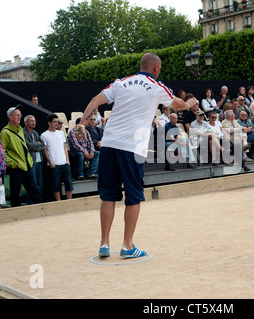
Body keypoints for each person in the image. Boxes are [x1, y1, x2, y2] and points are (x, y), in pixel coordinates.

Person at [78, 52, 198, 258]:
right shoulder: (157, 86)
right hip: (132, 148)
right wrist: (190, 103)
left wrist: (81, 123)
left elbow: (95, 101)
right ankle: (127, 246)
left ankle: (104, 244)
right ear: (156, 68)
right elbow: (178, 104)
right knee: (133, 197)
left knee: (108, 195)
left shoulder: (120, 83)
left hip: (108, 144)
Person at [0, 105, 42, 207]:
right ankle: (16, 215)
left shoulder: (20, 130)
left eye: (20, 115)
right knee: (15, 194)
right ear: (10, 117)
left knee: (34, 191)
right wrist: (14, 163)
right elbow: (2, 153)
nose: (19, 117)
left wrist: (29, 160)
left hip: (26, 166)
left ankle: (41, 210)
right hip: (16, 168)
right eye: (17, 115)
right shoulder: (5, 132)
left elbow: (24, 148)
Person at [41, 114, 73, 201]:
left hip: (64, 163)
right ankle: (58, 202)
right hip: (54, 164)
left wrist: (67, 160)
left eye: (57, 122)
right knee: (56, 184)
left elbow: (64, 147)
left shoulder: (61, 133)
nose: (56, 123)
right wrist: (50, 162)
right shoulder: (44, 135)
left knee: (69, 183)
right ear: (49, 123)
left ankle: (69, 201)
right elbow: (45, 150)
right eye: (54, 122)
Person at [23, 115, 44, 202]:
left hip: (39, 161)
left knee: (40, 184)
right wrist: (37, 144)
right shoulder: (23, 132)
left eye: (34, 121)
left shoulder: (35, 132)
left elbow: (42, 145)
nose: (34, 123)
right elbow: (28, 146)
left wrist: (35, 147)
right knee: (32, 184)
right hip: (32, 162)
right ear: (26, 123)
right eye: (31, 121)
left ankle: (38, 202)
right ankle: (31, 203)